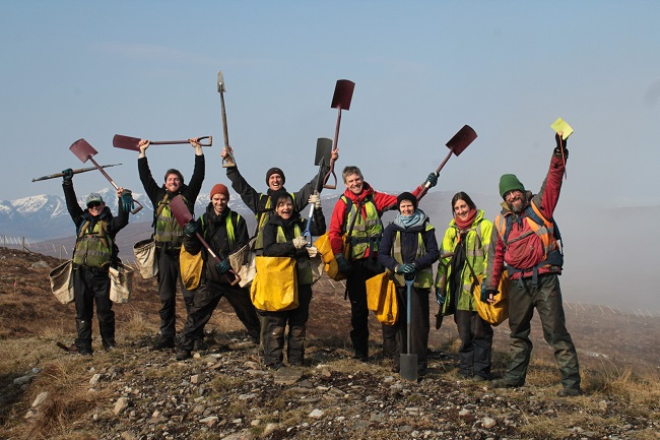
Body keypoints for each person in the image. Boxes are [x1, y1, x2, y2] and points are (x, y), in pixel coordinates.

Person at [485, 132, 581, 397]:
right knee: (517, 332)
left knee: (555, 332)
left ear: (522, 190)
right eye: (508, 193)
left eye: (515, 190)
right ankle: (515, 378)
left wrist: (559, 154)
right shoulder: (501, 222)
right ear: (504, 197)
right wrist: (490, 285)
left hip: (545, 280)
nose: (513, 195)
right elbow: (495, 255)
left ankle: (571, 384)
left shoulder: (540, 206)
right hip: (517, 282)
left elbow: (553, 181)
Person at [328, 166, 438, 361]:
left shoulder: (375, 198)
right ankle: (361, 354)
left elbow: (404, 202)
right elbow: (334, 233)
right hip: (355, 264)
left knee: (387, 307)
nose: (355, 183)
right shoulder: (343, 204)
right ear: (346, 184)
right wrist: (339, 257)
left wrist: (426, 185)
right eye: (351, 181)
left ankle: (391, 353)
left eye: (358, 179)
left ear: (362, 178)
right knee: (359, 310)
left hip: (378, 261)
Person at [175, 183, 261, 360]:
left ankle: (263, 343)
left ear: (227, 200)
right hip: (211, 279)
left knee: (247, 312)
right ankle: (184, 348)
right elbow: (192, 250)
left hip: (232, 278)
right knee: (197, 314)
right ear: (211, 199)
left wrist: (228, 261)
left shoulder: (237, 221)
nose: (219, 201)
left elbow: (242, 246)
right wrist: (189, 235)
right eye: (216, 198)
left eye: (222, 198)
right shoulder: (202, 222)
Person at [138, 138, 205, 350]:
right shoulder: (157, 195)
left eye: (176, 179)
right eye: (170, 179)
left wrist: (198, 150)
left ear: (180, 182)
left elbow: (199, 176)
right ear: (165, 182)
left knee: (190, 296)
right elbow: (145, 178)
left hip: (186, 253)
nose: (173, 182)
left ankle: (194, 336)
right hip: (164, 254)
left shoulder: (188, 195)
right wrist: (142, 153)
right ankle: (167, 336)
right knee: (166, 298)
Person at [61, 168, 130, 354]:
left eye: (97, 205)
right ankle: (84, 347)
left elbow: (123, 220)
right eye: (91, 206)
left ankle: (109, 345)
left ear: (102, 204)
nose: (94, 208)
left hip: (102, 275)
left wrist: (123, 200)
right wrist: (67, 184)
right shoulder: (80, 221)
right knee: (82, 313)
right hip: (81, 274)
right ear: (88, 207)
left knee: (104, 312)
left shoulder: (110, 224)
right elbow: (71, 205)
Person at [221, 146, 337, 253]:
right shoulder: (260, 201)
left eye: (278, 177)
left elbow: (313, 187)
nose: (275, 180)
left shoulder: (293, 199)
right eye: (272, 178)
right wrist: (231, 166)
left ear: (282, 180)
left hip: (290, 251)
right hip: (263, 253)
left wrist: (327, 165)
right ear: (268, 181)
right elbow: (242, 187)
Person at [259, 190, 326, 370]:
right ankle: (273, 361)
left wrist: (317, 209)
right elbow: (269, 250)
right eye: (281, 205)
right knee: (277, 323)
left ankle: (296, 361)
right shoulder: (270, 227)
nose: (286, 208)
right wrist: (292, 245)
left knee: (298, 323)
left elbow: (320, 229)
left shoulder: (302, 223)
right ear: (275, 209)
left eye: (288, 204)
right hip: (279, 284)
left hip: (301, 281)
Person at [377, 192, 439, 376]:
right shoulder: (392, 228)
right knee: (400, 323)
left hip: (418, 284)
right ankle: (400, 361)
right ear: (399, 208)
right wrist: (396, 267)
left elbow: (434, 252)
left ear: (414, 206)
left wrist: (416, 265)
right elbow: (382, 254)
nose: (406, 209)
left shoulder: (425, 227)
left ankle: (419, 365)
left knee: (418, 325)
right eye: (403, 206)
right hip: (397, 284)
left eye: (409, 205)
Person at [436, 192, 494, 381]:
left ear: (470, 205)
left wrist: (488, 283)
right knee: (464, 333)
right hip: (458, 290)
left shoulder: (484, 227)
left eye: (463, 206)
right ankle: (466, 369)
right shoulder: (451, 231)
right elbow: (444, 262)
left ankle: (481, 371)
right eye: (457, 208)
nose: (461, 211)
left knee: (481, 332)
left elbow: (491, 258)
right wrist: (440, 288)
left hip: (477, 290)